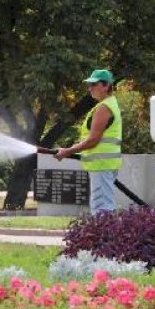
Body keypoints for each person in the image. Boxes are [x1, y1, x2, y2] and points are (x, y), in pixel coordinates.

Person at [55, 69, 122, 214]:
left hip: (101, 164)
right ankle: (105, 235)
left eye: (94, 84)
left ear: (106, 86)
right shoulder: (108, 104)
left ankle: (104, 236)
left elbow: (92, 140)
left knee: (101, 207)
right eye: (89, 84)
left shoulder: (104, 108)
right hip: (104, 164)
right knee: (103, 204)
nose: (90, 88)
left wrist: (67, 151)